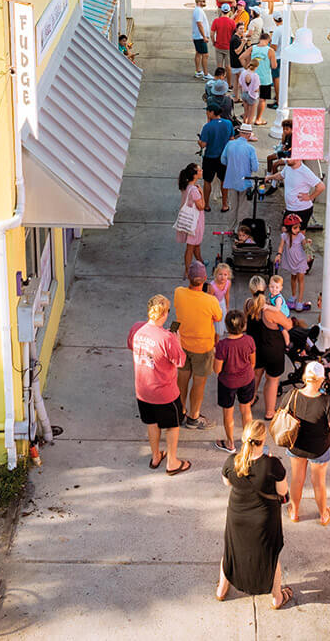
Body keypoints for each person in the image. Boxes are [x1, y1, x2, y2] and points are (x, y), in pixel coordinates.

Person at [218, 420, 292, 609]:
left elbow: (227, 483)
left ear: (244, 439)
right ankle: (277, 597)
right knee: (270, 556)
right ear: (262, 440)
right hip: (264, 519)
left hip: (237, 515)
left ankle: (222, 589)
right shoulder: (273, 465)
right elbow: (283, 492)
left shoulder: (231, 461)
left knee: (231, 551)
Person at [127, 294, 190, 474]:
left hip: (143, 390)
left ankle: (155, 456)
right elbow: (180, 361)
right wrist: (178, 341)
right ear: (164, 313)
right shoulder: (167, 338)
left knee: (152, 423)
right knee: (172, 426)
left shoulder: (136, 328)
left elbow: (131, 345)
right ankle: (172, 462)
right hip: (164, 393)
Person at [285, 360, 330, 525]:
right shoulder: (326, 401)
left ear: (304, 377)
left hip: (296, 445)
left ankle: (294, 512)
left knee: (297, 479)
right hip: (319, 448)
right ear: (321, 379)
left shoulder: (292, 395)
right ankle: (324, 514)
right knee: (318, 483)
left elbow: (282, 413)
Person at [174, 261, 222, 429]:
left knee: (182, 380)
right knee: (199, 383)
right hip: (203, 348)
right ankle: (194, 417)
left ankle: (180, 413)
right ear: (205, 279)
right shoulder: (210, 301)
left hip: (182, 345)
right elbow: (218, 317)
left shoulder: (178, 293)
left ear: (188, 276)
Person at [245, 275, 292, 421]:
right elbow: (288, 325)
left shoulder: (248, 304)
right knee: (272, 380)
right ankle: (269, 412)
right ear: (265, 288)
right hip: (273, 349)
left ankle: (250, 400)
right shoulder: (270, 310)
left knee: (256, 374)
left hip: (255, 348)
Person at [213, 309, 256, 454]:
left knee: (228, 413)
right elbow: (253, 363)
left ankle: (230, 443)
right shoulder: (249, 340)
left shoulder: (222, 345)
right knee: (246, 411)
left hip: (227, 383)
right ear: (243, 326)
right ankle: (248, 442)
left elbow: (217, 370)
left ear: (226, 326)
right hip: (247, 380)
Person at [199, 105, 234, 213]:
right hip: (223, 158)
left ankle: (206, 205)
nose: (206, 113)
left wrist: (199, 142)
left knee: (207, 181)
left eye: (207, 112)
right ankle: (224, 204)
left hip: (210, 157)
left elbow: (203, 144)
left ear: (212, 112)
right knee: (224, 181)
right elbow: (231, 139)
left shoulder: (207, 127)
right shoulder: (228, 123)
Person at [221, 126, 259, 224]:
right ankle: (241, 231)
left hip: (231, 180)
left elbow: (223, 160)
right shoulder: (251, 149)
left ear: (240, 132)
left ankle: (231, 228)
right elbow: (255, 168)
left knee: (233, 207)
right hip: (245, 181)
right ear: (249, 135)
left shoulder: (229, 144)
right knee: (243, 209)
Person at [275, 213, 312, 312]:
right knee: (293, 278)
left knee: (301, 280)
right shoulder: (285, 236)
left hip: (300, 261)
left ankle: (299, 301)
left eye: (298, 227)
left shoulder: (300, 236)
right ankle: (293, 295)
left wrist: (308, 244)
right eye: (295, 228)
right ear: (289, 228)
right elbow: (281, 246)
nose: (298, 230)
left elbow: (304, 246)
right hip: (292, 262)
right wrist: (278, 254)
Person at [176, 162, 206, 276]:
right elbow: (201, 206)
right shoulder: (194, 190)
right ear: (194, 175)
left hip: (189, 219)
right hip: (195, 221)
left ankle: (201, 263)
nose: (201, 171)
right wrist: (202, 194)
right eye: (199, 170)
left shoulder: (186, 186)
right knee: (191, 246)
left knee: (195, 244)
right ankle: (188, 271)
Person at [283, 158, 325, 231]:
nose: (287, 158)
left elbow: (321, 186)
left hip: (302, 210)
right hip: (290, 208)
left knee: (297, 236)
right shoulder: (288, 167)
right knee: (285, 232)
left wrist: (310, 197)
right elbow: (281, 175)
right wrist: (270, 177)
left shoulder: (305, 172)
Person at [250, 33, 277, 126]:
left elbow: (242, 57)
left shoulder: (252, 48)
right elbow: (274, 66)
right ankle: (258, 119)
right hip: (265, 78)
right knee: (262, 99)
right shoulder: (270, 50)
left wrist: (247, 67)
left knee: (251, 98)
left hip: (253, 77)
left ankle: (248, 118)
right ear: (268, 40)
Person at [268, 13, 290, 107]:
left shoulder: (277, 31)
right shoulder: (287, 28)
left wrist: (270, 41)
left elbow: (274, 47)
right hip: (285, 55)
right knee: (283, 78)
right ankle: (281, 97)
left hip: (277, 57)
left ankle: (278, 100)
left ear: (274, 20)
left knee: (276, 79)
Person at [208, 262, 232, 340]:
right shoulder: (212, 286)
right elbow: (209, 299)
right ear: (216, 274)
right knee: (216, 322)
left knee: (222, 320)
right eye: (220, 274)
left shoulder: (228, 283)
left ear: (228, 275)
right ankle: (216, 339)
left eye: (225, 275)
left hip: (222, 302)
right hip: (214, 304)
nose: (223, 277)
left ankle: (219, 332)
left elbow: (227, 294)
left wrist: (227, 306)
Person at [229, 20, 252, 99]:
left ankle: (236, 97)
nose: (242, 30)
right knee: (242, 82)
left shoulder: (237, 38)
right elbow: (237, 52)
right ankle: (243, 98)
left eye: (243, 29)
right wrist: (243, 43)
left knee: (236, 80)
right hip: (238, 64)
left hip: (235, 63)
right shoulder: (235, 39)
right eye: (240, 29)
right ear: (236, 29)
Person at [210, 4, 236, 69]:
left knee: (219, 66)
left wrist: (214, 42)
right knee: (228, 67)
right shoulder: (232, 22)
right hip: (228, 47)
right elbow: (234, 34)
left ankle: (220, 79)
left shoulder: (216, 21)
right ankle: (228, 79)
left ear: (221, 11)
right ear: (229, 12)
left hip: (219, 46)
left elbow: (212, 34)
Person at [239, 60, 262, 134]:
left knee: (245, 114)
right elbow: (256, 89)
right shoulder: (255, 76)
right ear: (256, 67)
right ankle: (248, 131)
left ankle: (243, 128)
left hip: (244, 94)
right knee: (251, 116)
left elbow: (240, 84)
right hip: (252, 96)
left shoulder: (243, 73)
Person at [191, 0, 210, 79]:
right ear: (198, 2)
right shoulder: (198, 11)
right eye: (203, 1)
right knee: (205, 55)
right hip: (200, 37)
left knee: (198, 53)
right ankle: (206, 74)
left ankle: (198, 71)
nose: (204, 2)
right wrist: (204, 36)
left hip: (197, 36)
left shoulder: (197, 10)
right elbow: (199, 24)